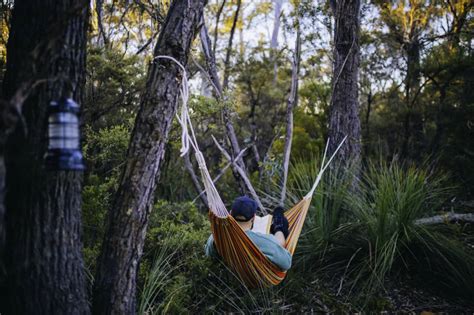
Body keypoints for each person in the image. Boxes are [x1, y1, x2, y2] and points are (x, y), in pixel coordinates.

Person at [205, 196, 292, 271]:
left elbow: (208, 253)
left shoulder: (218, 236)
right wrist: (279, 229)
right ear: (254, 217)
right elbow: (286, 262)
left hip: (228, 273)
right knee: (277, 239)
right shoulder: (261, 241)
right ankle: (279, 227)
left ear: (230, 214)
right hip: (254, 278)